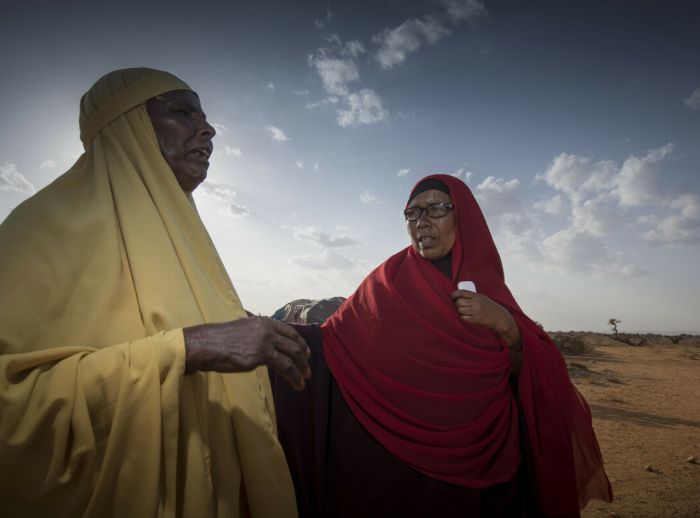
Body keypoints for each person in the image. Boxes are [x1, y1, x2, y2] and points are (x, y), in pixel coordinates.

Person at [0, 68, 311, 517]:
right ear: (128, 125)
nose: (209, 129)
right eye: (182, 112)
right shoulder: (37, 232)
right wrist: (190, 349)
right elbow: (13, 411)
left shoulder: (185, 242)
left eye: (205, 117)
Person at [271, 174, 613, 517]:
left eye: (436, 208)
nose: (422, 221)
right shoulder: (388, 280)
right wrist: (264, 337)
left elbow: (538, 367)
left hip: (484, 462)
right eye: (412, 213)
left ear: (462, 216)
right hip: (398, 460)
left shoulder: (489, 287)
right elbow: (333, 341)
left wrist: (504, 324)